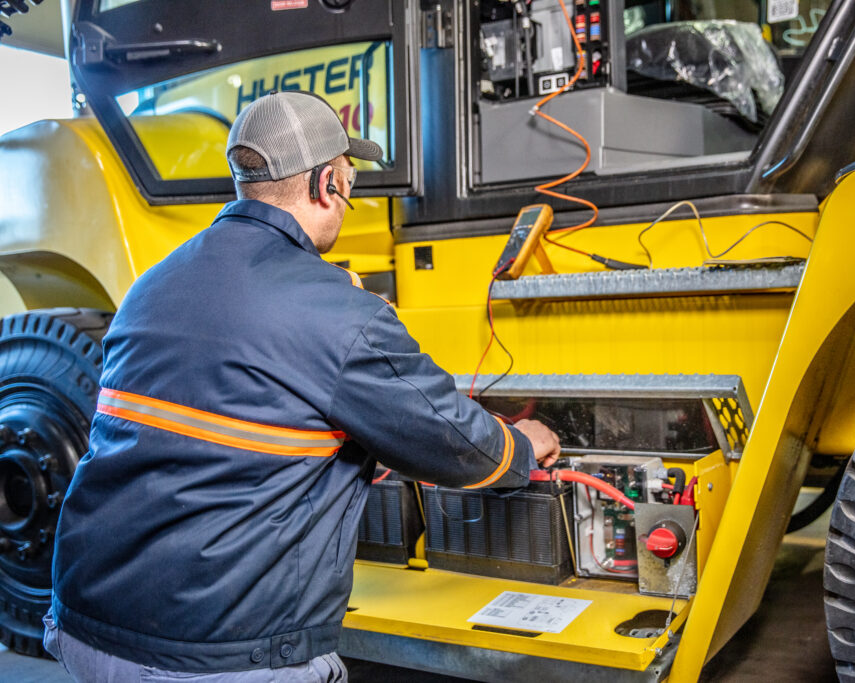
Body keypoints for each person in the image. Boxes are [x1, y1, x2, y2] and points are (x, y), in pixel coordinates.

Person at [43, 90, 561, 682]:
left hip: (85, 623)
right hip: (214, 654)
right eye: (349, 180)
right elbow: (456, 443)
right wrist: (521, 443)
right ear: (326, 185)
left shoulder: (152, 286)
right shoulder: (337, 311)